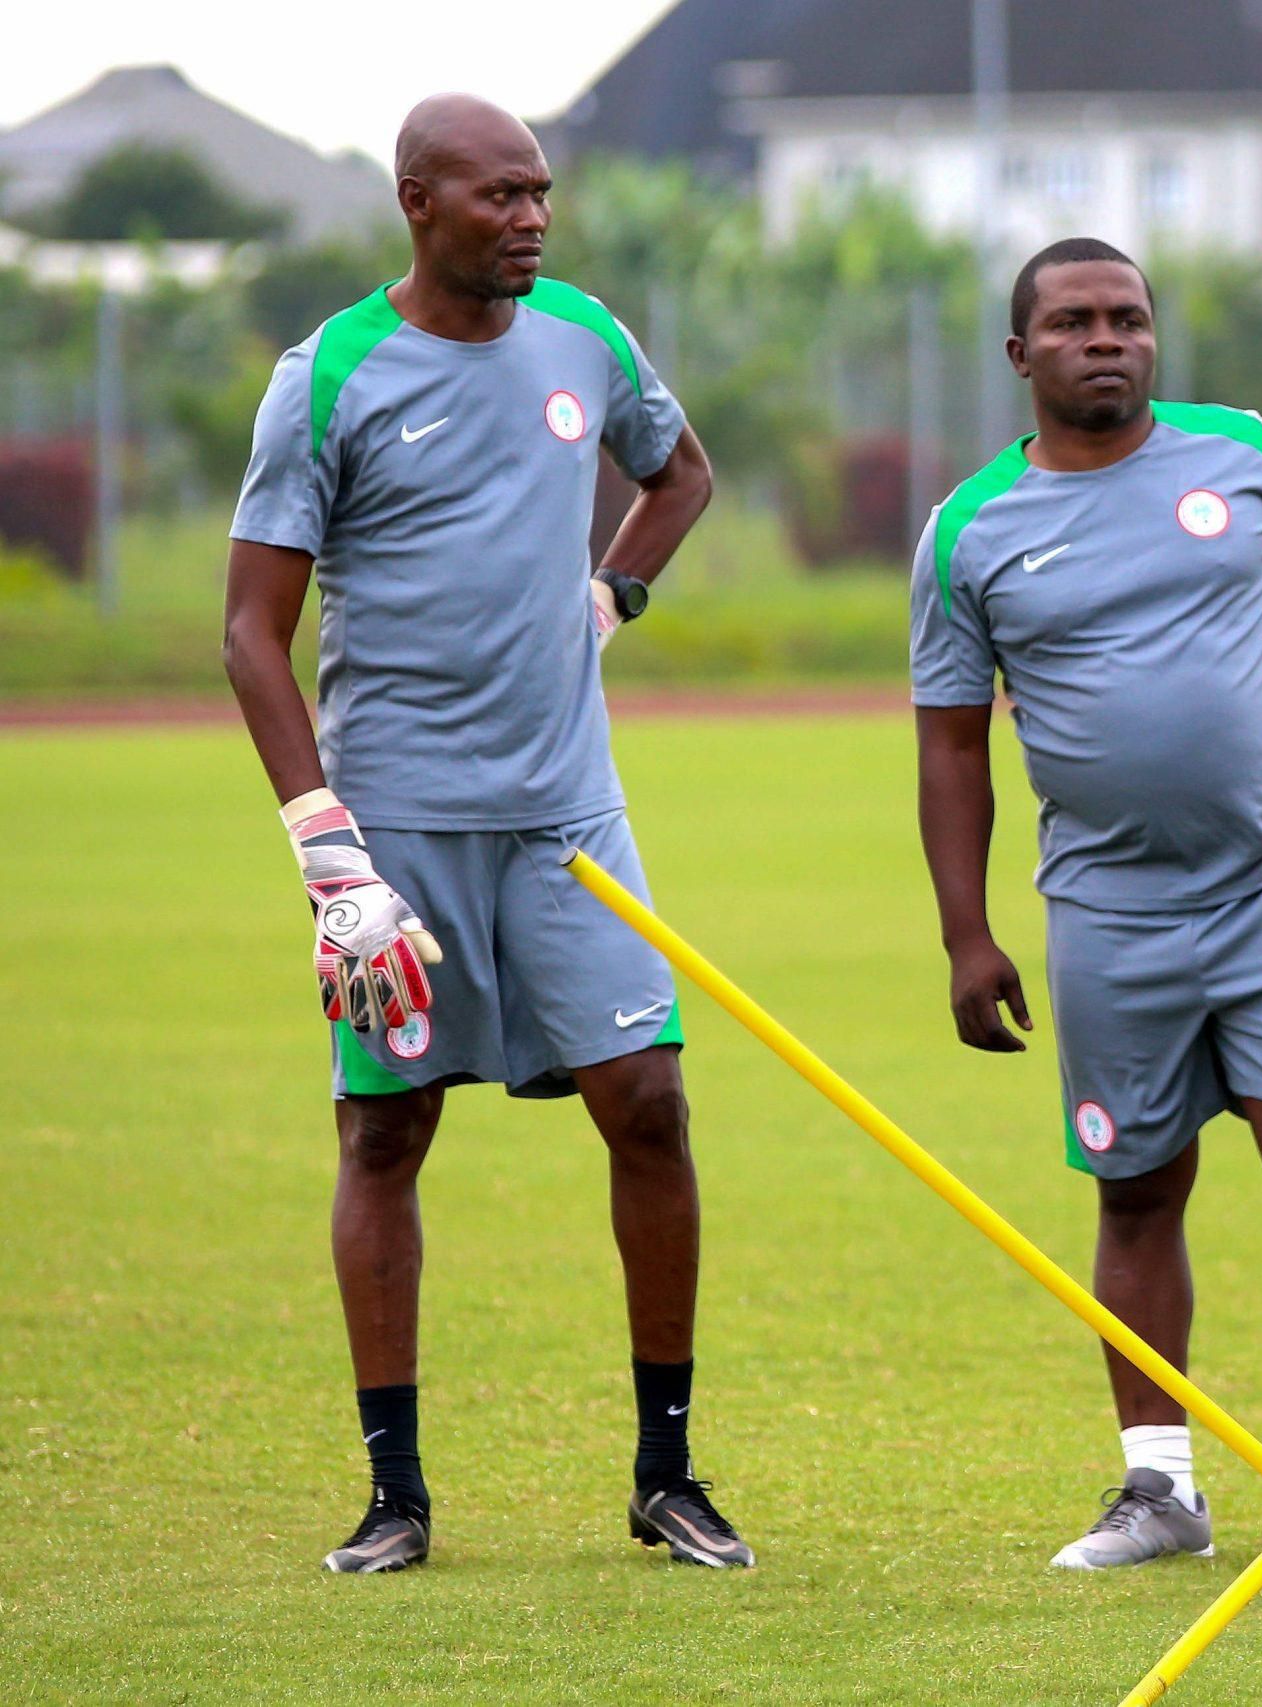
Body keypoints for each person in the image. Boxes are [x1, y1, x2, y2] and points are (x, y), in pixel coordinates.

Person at [223, 94, 750, 1573]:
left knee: (648, 1104)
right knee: (385, 1130)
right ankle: (395, 1497)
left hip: (570, 821)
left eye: (540, 192)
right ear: (417, 202)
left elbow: (681, 472)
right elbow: (252, 637)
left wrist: (610, 594)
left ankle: (668, 1473)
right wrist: (329, 850)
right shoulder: (325, 375)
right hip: (391, 839)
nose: (530, 218)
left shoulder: (587, 335)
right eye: (498, 196)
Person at [909, 237, 1262, 1571]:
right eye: (1078, 322)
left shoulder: (1246, 456)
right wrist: (967, 934)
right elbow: (951, 745)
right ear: (1020, 354)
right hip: (1107, 907)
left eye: (1131, 319)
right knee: (1138, 1188)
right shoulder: (968, 529)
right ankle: (1159, 1489)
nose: (1111, 341)